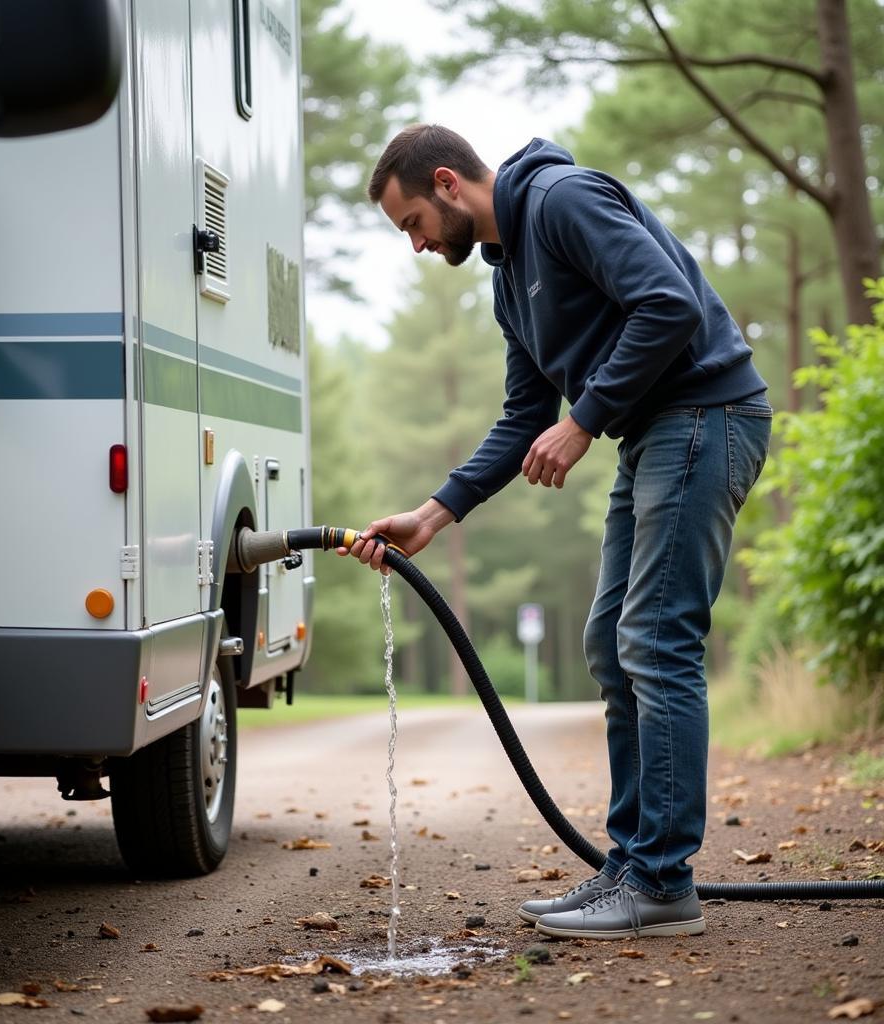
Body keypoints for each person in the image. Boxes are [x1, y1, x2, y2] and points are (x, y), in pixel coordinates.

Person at [344, 124, 772, 940]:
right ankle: (630, 864)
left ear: (445, 183)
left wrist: (585, 422)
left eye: (412, 225)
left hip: (707, 417)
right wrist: (433, 515)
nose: (417, 246)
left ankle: (662, 881)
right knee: (612, 645)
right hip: (655, 434)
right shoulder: (509, 284)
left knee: (656, 638)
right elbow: (520, 420)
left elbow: (670, 305)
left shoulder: (561, 199)